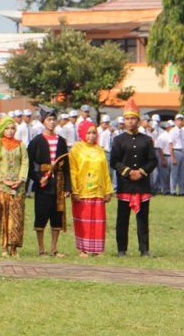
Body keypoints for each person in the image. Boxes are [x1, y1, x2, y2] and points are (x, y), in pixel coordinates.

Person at [110, 103, 159, 257]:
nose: (130, 121)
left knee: (143, 219)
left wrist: (142, 172)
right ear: (123, 121)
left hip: (142, 184)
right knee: (122, 219)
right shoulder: (118, 140)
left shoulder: (147, 140)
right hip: (125, 184)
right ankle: (121, 249)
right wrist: (128, 171)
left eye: (133, 118)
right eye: (127, 119)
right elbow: (114, 161)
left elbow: (153, 160)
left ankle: (144, 249)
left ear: (138, 121)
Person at [27, 106, 71, 257]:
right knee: (41, 213)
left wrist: (67, 186)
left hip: (58, 183)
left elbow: (66, 165)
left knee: (56, 214)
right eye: (49, 120)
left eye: (54, 120)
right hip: (43, 184)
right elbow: (29, 165)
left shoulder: (61, 141)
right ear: (43, 121)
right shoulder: (36, 141)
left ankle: (54, 248)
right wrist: (38, 179)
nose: (52, 123)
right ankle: (41, 248)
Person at [69, 120, 113, 257]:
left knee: (98, 221)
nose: (91, 136)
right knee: (84, 220)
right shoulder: (76, 149)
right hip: (83, 191)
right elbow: (73, 171)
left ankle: (97, 249)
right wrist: (74, 190)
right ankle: (83, 249)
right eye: (88, 133)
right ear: (82, 133)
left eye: (94, 133)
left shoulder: (99, 149)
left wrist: (108, 190)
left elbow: (105, 170)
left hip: (98, 190)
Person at [0, 115, 28, 257]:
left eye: (13, 128)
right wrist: (3, 180)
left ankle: (14, 247)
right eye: (7, 128)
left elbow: (25, 162)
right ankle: (4, 246)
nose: (10, 131)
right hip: (4, 186)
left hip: (18, 186)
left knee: (17, 217)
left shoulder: (21, 145)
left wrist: (20, 179)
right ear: (2, 129)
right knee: (4, 215)